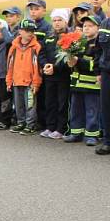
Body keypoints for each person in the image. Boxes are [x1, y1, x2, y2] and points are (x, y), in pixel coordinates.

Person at [63, 15, 101, 145]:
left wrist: (79, 61)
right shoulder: (79, 42)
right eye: (85, 26)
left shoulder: (99, 44)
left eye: (91, 26)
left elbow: (96, 64)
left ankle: (92, 135)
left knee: (92, 110)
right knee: (75, 109)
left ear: (98, 28)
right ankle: (75, 132)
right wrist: (70, 61)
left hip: (91, 85)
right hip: (76, 83)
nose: (87, 28)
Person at [39, 8, 71, 139]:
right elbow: (41, 52)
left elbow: (68, 57)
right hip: (49, 76)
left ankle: (61, 128)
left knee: (62, 103)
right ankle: (50, 126)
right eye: (54, 20)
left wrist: (55, 68)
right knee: (49, 102)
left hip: (63, 76)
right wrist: (45, 64)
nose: (57, 23)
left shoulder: (70, 37)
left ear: (66, 21)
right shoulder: (49, 36)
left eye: (60, 20)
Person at [6, 20, 42, 134]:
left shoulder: (36, 47)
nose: (30, 33)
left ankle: (30, 124)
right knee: (18, 104)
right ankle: (20, 122)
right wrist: (9, 80)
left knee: (30, 105)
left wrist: (36, 83)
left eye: (32, 31)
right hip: (16, 81)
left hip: (30, 82)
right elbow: (10, 65)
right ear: (20, 31)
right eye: (27, 31)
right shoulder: (14, 47)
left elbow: (37, 67)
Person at [26, 0, 51, 130]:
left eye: (37, 9)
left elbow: (45, 49)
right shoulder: (28, 25)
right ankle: (30, 120)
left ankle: (43, 122)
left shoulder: (46, 27)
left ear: (44, 10)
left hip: (40, 65)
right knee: (30, 94)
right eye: (31, 9)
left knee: (42, 95)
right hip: (28, 65)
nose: (33, 12)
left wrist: (42, 64)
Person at [95, 18, 110, 155]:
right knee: (106, 108)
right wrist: (97, 71)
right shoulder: (105, 23)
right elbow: (98, 48)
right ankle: (107, 142)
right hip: (106, 72)